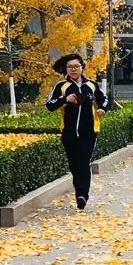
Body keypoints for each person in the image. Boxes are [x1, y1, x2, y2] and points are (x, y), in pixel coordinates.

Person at [45, 54, 109, 210]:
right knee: (74, 164)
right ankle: (79, 192)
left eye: (76, 66)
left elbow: (104, 98)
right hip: (69, 132)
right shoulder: (62, 86)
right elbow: (50, 105)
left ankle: (82, 195)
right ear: (66, 69)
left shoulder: (92, 85)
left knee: (84, 162)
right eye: (70, 67)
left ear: (82, 67)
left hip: (89, 131)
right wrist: (65, 100)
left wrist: (102, 108)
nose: (73, 69)